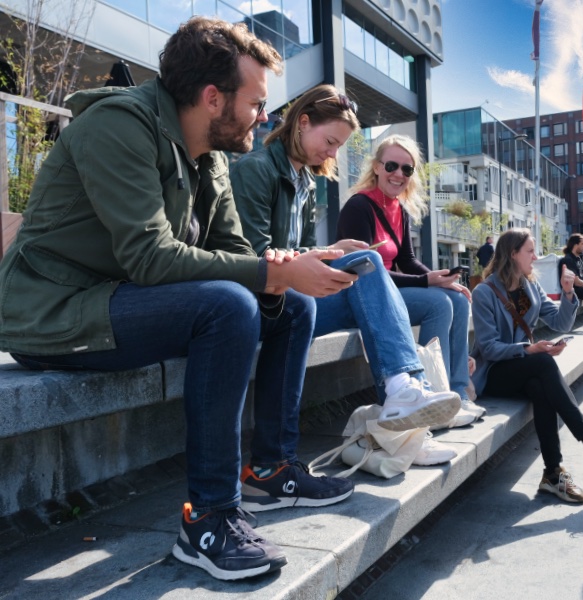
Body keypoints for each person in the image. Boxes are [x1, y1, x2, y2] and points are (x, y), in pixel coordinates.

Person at [0, 17, 357, 581]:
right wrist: (268, 273)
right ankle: (209, 519)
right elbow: (152, 258)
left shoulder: (208, 153)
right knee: (229, 305)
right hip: (56, 314)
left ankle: (271, 470)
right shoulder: (119, 125)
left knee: (295, 307)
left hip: (123, 300)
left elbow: (235, 251)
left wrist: (291, 271)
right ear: (213, 98)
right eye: (257, 102)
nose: (265, 117)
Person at [230, 84, 462, 440]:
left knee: (365, 266)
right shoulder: (256, 170)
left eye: (338, 146)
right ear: (303, 123)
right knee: (368, 261)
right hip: (268, 304)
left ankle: (409, 425)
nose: (333, 154)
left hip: (296, 297)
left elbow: (304, 249)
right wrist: (322, 256)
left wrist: (331, 249)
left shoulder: (304, 181)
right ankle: (406, 402)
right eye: (332, 142)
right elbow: (255, 256)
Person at [470, 229, 583, 503]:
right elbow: (489, 348)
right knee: (542, 363)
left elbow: (560, 324)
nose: (535, 257)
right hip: (494, 372)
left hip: (525, 368)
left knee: (541, 387)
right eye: (529, 251)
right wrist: (528, 348)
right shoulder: (484, 292)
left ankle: (553, 473)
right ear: (512, 254)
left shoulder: (530, 286)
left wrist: (569, 293)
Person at [336, 135, 478, 417]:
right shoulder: (358, 206)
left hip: (393, 291)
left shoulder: (399, 209)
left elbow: (407, 260)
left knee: (458, 299)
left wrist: (442, 279)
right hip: (363, 297)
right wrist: (428, 282)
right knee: (439, 304)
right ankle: (434, 392)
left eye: (407, 169)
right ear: (376, 167)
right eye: (391, 166)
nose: (398, 174)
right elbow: (366, 273)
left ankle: (458, 393)